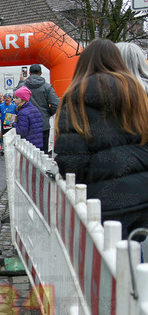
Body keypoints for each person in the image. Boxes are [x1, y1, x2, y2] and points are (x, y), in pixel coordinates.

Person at [54, 38, 148, 242]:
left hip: (102, 200)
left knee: (109, 255)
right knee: (132, 251)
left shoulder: (76, 96)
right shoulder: (138, 91)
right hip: (142, 194)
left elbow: (71, 161)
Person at [16, 64, 60, 154]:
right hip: (43, 123)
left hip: (27, 123)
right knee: (43, 153)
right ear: (41, 73)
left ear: (29, 73)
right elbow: (56, 104)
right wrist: (48, 113)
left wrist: (21, 81)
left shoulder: (23, 86)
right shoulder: (47, 87)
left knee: (28, 153)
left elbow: (16, 97)